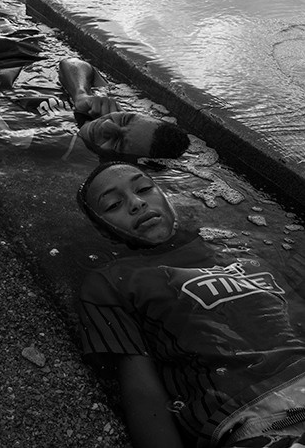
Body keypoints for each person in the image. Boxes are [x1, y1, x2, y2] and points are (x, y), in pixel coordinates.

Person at [77, 162, 305, 448]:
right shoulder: (112, 281)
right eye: (113, 204)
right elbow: (142, 390)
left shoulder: (248, 249)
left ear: (166, 196)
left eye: (145, 188)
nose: (136, 203)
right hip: (256, 416)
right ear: (106, 233)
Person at [0, 26, 189, 161]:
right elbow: (72, 62)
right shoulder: (100, 108)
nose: (108, 127)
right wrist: (81, 94)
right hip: (28, 46)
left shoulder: (54, 144)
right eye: (124, 119)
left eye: (119, 141)